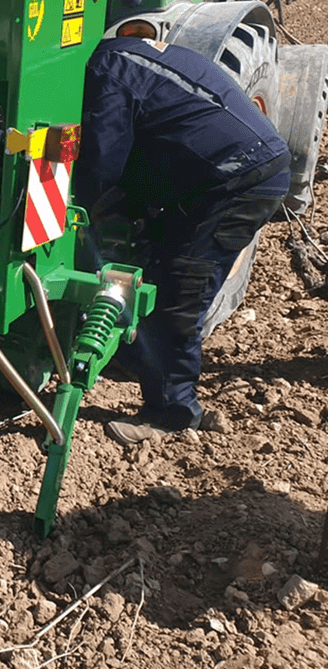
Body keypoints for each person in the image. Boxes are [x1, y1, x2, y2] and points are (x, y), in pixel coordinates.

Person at [74, 36, 291, 445]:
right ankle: (136, 358)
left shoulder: (105, 72)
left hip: (239, 179)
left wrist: (76, 216)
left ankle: (172, 413)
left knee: (180, 289)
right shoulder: (121, 54)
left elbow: (103, 163)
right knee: (153, 263)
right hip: (214, 172)